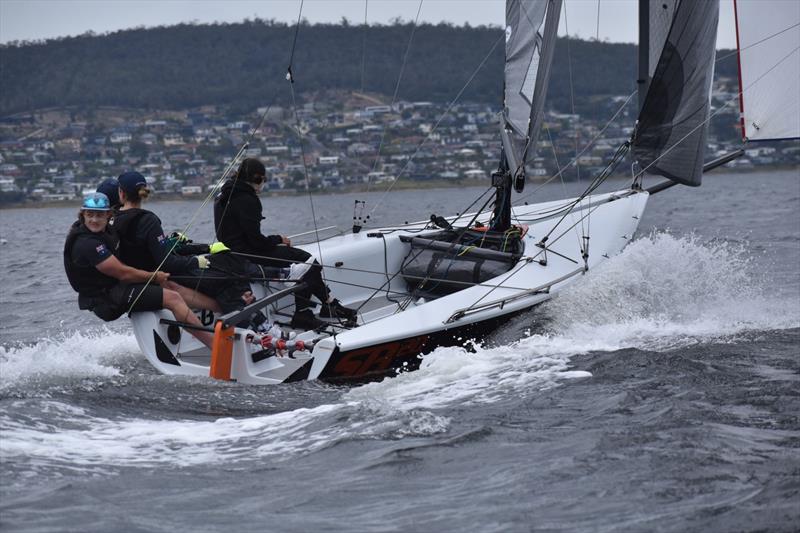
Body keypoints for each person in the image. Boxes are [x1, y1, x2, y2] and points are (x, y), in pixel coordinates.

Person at [214, 158, 357, 329]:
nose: (263, 184)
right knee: (307, 261)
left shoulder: (224, 195)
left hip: (232, 253)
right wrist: (278, 239)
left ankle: (330, 305)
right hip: (248, 255)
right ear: (257, 178)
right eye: (263, 180)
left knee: (303, 260)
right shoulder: (247, 199)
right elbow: (257, 242)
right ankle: (304, 313)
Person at [63, 192, 214, 348]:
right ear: (83, 215)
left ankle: (222, 310)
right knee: (173, 298)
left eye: (99, 215)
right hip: (106, 300)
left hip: (115, 288)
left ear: (108, 214)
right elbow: (123, 273)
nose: (94, 220)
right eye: (90, 214)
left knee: (171, 286)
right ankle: (215, 346)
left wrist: (168, 242)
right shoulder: (87, 244)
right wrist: (154, 276)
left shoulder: (106, 229)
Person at [112, 171, 254, 315]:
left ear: (121, 193)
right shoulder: (148, 220)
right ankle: (247, 316)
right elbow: (167, 263)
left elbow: (141, 248)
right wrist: (196, 261)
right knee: (228, 277)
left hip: (132, 281)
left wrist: (171, 242)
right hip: (161, 276)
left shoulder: (112, 219)